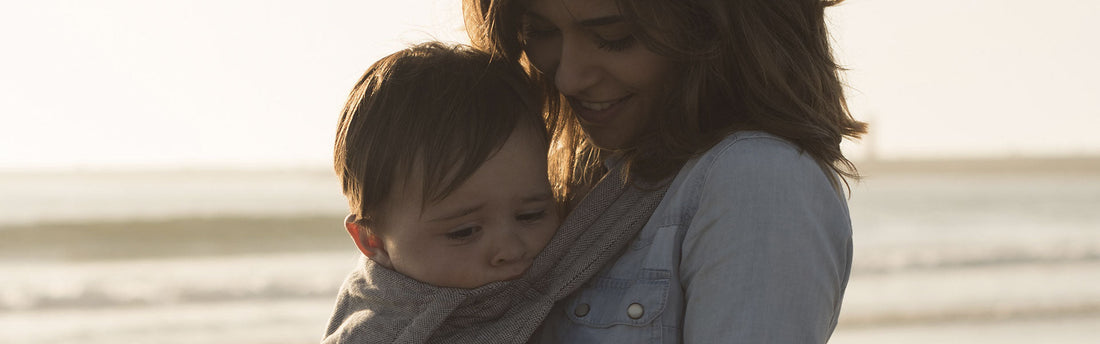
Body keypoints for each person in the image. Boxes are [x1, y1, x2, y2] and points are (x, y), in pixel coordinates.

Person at [464, 0, 867, 342]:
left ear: (714, 28)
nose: (568, 76)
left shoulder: (758, 178)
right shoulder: (597, 175)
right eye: (540, 31)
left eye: (615, 36)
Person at [322, 42, 562, 342]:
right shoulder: (379, 333)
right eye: (464, 232)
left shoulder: (576, 250)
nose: (511, 250)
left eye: (531, 215)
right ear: (374, 241)